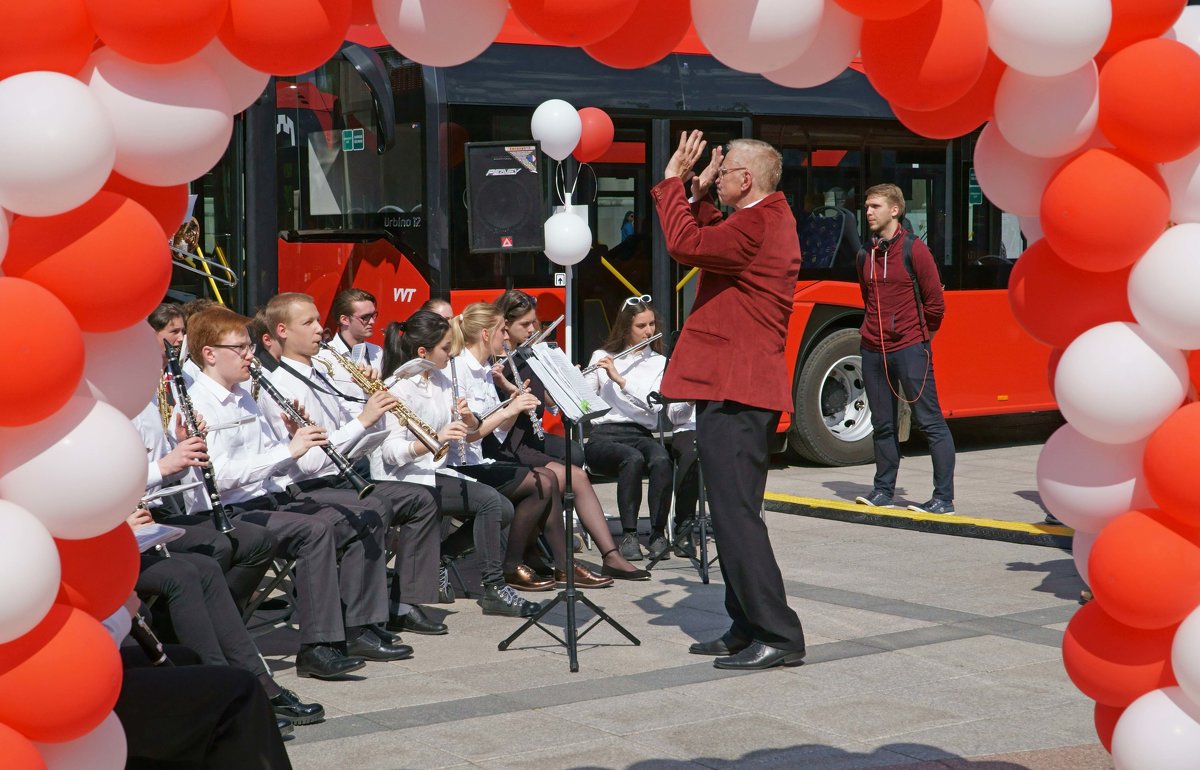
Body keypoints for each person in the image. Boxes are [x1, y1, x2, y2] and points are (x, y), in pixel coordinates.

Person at [184, 306, 411, 679]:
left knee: (367, 512)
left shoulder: (245, 395)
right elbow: (220, 477)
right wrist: (288, 450)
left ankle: (357, 626)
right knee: (316, 530)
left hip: (271, 497)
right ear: (209, 354)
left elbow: (286, 466)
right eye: (239, 348)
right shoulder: (197, 403)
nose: (250, 355)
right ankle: (317, 647)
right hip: (228, 511)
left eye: (249, 346)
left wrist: (295, 440)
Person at [652, 131, 806, 671]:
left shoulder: (760, 220)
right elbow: (712, 233)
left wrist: (674, 181)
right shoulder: (760, 217)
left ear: (746, 179)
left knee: (737, 517)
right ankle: (745, 625)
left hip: (738, 390)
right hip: (733, 387)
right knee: (731, 513)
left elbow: (688, 245)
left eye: (724, 172)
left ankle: (778, 634)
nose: (716, 177)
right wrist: (697, 196)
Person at [261, 292, 446, 636]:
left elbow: (358, 440)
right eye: (309, 323)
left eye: (318, 320)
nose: (320, 329)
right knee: (372, 510)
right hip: (307, 486)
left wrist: (370, 402)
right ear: (283, 331)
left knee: (422, 498)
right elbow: (312, 462)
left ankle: (403, 603)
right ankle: (361, 624)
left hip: (340, 477)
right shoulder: (280, 384)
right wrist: (364, 418)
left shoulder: (321, 372)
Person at [376, 311, 542, 617]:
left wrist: (467, 418)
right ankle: (493, 588)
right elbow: (389, 454)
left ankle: (440, 558)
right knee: (492, 503)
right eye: (445, 348)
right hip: (407, 477)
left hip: (437, 470)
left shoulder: (440, 379)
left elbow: (469, 429)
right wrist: (433, 440)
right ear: (423, 352)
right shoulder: (398, 388)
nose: (452, 354)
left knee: (503, 507)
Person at [451, 303, 615, 591]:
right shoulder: (461, 369)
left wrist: (515, 401)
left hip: (480, 457)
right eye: (504, 330)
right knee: (543, 479)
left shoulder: (485, 370)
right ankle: (516, 564)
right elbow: (471, 434)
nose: (507, 337)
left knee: (549, 478)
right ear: (487, 334)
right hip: (463, 463)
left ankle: (546, 563)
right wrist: (508, 409)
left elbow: (500, 430)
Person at [491, 290, 649, 580]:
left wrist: (567, 381)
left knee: (576, 464)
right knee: (570, 475)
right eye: (525, 324)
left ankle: (607, 555)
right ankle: (568, 561)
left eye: (534, 323)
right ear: (505, 325)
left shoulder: (530, 353)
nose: (533, 330)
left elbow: (549, 401)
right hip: (506, 443)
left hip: (528, 439)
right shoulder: (497, 363)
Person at [126, 509, 325, 727]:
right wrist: (122, 529)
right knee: (182, 574)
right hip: (94, 557)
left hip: (118, 542)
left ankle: (256, 680)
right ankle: (220, 692)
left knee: (207, 568)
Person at [854, 183, 955, 515]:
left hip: (911, 348)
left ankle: (943, 499)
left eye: (875, 206)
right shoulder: (864, 254)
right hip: (873, 350)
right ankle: (883, 491)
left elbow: (935, 305)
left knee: (930, 422)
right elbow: (868, 300)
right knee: (882, 423)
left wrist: (918, 339)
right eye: (866, 206)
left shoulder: (915, 250)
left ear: (894, 210)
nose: (868, 211)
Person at [104, 602, 294, 768]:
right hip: (85, 694)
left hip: (91, 668)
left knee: (185, 658)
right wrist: (121, 616)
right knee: (241, 691)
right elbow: (82, 648)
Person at [582, 297, 674, 561]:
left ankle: (657, 533)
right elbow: (586, 405)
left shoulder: (659, 362)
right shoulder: (602, 356)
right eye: (641, 326)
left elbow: (654, 407)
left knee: (661, 459)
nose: (649, 331)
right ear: (626, 328)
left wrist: (620, 380)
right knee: (631, 459)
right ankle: (630, 535)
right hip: (604, 436)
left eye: (652, 324)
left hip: (640, 433)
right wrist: (581, 379)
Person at [317, 287, 383, 377]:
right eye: (365, 317)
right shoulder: (323, 357)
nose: (372, 322)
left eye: (373, 315)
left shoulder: (378, 352)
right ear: (344, 320)